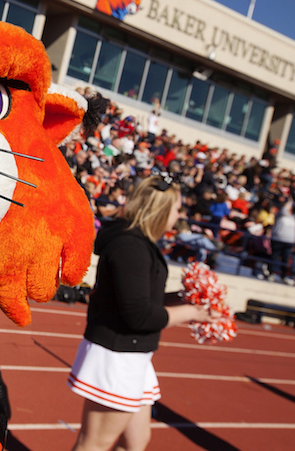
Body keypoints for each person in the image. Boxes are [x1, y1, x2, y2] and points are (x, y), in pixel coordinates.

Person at [69, 174, 217, 451]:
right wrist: (192, 312)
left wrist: (184, 298)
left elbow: (141, 298)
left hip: (133, 355)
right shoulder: (130, 246)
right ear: (161, 211)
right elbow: (139, 315)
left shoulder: (137, 243)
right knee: (94, 444)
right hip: (118, 356)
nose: (179, 215)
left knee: (136, 442)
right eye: (176, 209)